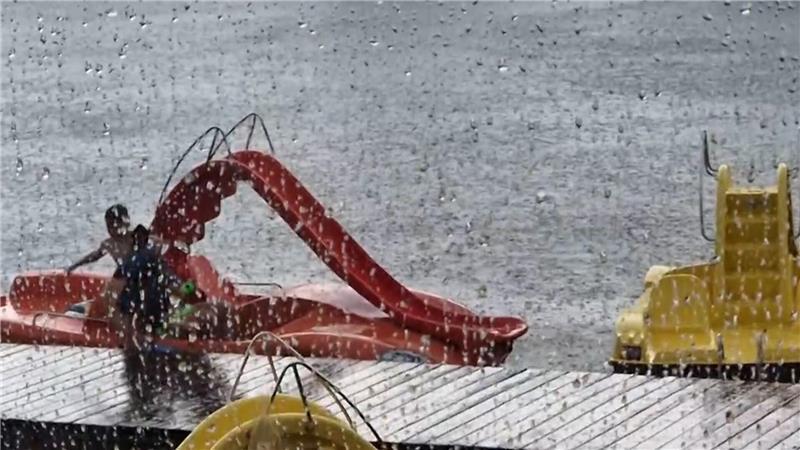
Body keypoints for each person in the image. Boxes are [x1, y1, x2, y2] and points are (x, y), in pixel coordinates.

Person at [65, 204, 134, 275]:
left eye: (116, 225)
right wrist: (75, 265)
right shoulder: (109, 244)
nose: (112, 230)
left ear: (126, 223)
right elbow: (94, 256)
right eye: (109, 226)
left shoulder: (134, 237)